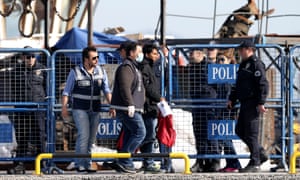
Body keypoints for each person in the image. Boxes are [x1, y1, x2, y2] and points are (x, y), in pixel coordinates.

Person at [61, 46, 112, 173]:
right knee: (84, 135)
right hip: (79, 109)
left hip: (95, 109)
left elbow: (106, 90)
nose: (97, 60)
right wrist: (64, 107)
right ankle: (80, 163)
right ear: (86, 59)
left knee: (91, 138)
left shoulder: (101, 71)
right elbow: (66, 92)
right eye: (94, 58)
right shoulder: (75, 72)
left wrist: (112, 105)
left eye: (97, 57)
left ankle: (87, 162)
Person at [227, 40, 269, 172]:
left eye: (241, 49)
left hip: (253, 103)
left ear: (249, 49)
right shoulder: (244, 65)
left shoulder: (256, 64)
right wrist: (232, 99)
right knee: (240, 131)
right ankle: (259, 153)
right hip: (244, 103)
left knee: (251, 134)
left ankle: (255, 162)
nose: (240, 52)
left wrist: (261, 102)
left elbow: (263, 84)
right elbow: (238, 85)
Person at [8, 46, 47, 174]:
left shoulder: (42, 69)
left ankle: (43, 164)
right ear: (23, 58)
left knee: (40, 136)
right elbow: (13, 89)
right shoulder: (16, 71)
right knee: (22, 137)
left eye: (32, 56)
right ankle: (20, 164)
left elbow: (48, 88)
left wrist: (45, 104)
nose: (30, 59)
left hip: (38, 108)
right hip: (22, 108)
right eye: (27, 57)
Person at [110, 41, 146, 173]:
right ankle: (124, 160)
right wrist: (130, 104)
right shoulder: (126, 67)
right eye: (138, 51)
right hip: (127, 109)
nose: (139, 54)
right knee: (140, 132)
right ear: (131, 52)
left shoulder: (133, 66)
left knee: (130, 133)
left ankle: (122, 161)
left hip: (132, 108)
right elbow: (125, 87)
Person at [189, 47, 221, 173]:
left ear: (200, 54)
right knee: (199, 133)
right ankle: (201, 160)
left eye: (192, 53)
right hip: (197, 105)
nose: (190, 56)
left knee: (211, 133)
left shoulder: (211, 67)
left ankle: (214, 160)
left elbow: (220, 86)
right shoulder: (192, 68)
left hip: (209, 105)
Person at [138, 43, 165, 173]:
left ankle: (147, 162)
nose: (157, 56)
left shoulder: (151, 67)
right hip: (148, 107)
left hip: (152, 106)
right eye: (154, 53)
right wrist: (159, 98)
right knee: (149, 136)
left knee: (149, 135)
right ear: (147, 54)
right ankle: (148, 163)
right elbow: (147, 88)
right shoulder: (145, 68)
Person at [215, 52, 241, 172]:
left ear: (229, 61)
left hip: (228, 110)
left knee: (225, 137)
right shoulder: (218, 76)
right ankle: (231, 162)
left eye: (222, 59)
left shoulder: (232, 76)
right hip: (220, 110)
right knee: (223, 137)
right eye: (218, 60)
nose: (219, 62)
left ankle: (234, 162)